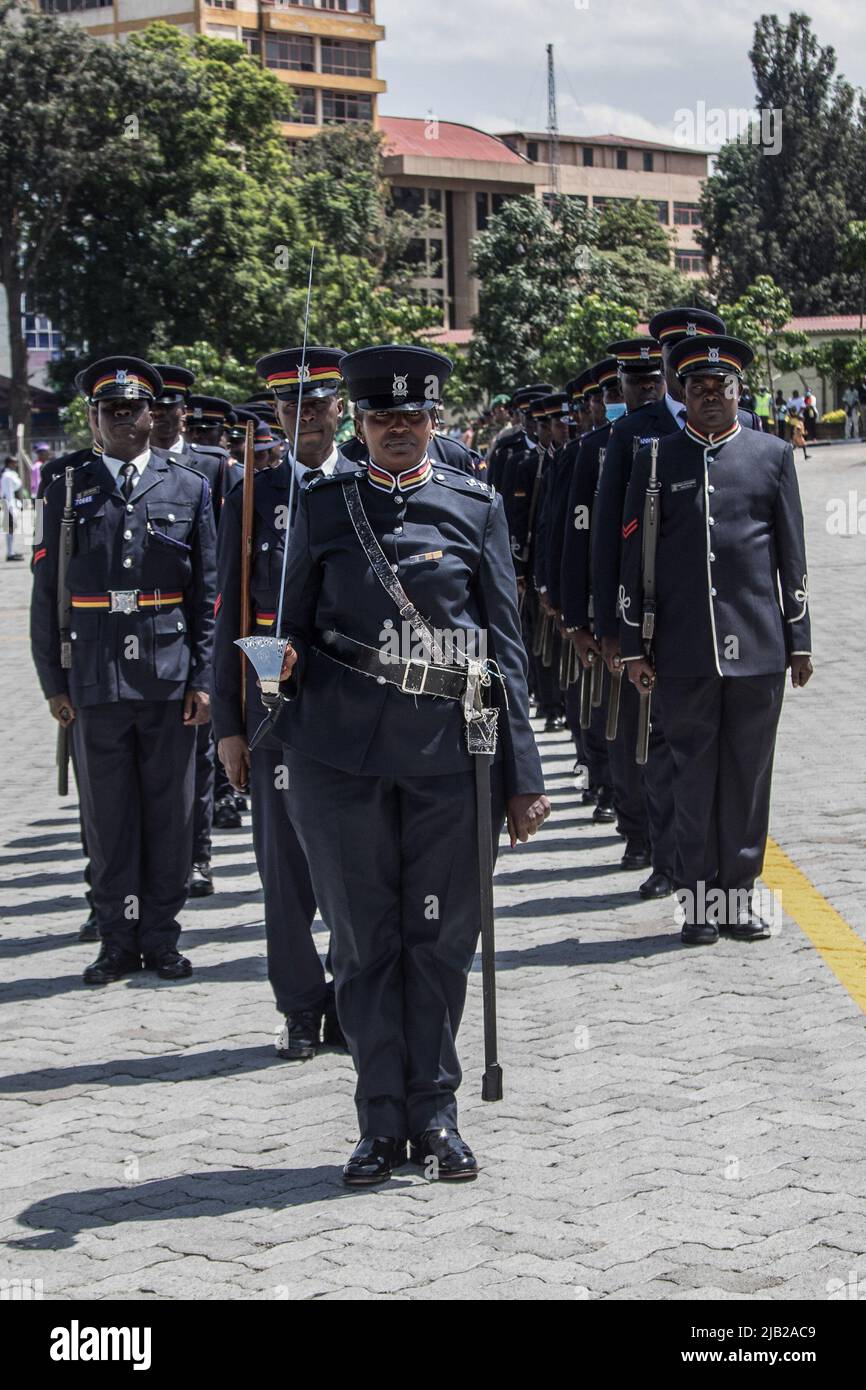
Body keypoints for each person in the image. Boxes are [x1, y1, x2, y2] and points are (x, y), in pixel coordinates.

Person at [272, 344, 549, 1185]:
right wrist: (270, 672)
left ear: (435, 421)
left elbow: (505, 646)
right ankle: (376, 1123)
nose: (399, 428)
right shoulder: (323, 508)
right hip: (339, 758)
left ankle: (435, 1113)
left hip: (447, 758)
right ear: (359, 421)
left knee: (438, 941)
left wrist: (523, 773)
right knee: (363, 945)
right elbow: (290, 626)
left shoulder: (476, 506)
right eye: (382, 417)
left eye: (414, 416)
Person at [619, 334, 812, 946]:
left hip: (758, 647)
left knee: (749, 778)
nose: (709, 396)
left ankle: (739, 897)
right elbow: (631, 556)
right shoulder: (655, 459)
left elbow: (792, 553)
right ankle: (698, 903)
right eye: (697, 387)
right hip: (682, 651)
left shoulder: (771, 455)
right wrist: (630, 643)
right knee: (693, 778)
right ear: (681, 391)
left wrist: (799, 638)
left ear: (738, 392)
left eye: (720, 387)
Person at [30, 356, 216, 986]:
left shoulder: (189, 485)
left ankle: (161, 936)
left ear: (151, 415)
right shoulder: (65, 487)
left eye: (134, 409)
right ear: (93, 418)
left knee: (170, 815)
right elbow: (44, 594)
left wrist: (204, 679)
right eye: (111, 411)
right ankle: (115, 938)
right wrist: (53, 684)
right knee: (108, 818)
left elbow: (206, 595)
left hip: (167, 674)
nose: (124, 420)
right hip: (96, 676)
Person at [214, 346, 356, 1059]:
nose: (306, 417)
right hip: (275, 708)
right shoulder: (252, 498)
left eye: (319, 403)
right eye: (290, 406)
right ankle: (301, 1006)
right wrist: (229, 727)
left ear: (340, 407)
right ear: (275, 413)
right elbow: (230, 618)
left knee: (358, 865)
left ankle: (355, 999)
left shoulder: (366, 485)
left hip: (357, 709)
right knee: (284, 870)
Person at [1, 455, 23, 560]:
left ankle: (11, 551)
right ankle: (10, 553)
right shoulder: (7, 476)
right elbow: (8, 493)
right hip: (9, 505)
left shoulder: (11, 474)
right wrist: (11, 509)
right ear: (9, 463)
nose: (16, 464)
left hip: (13, 504)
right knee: (10, 529)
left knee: (12, 529)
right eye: (14, 462)